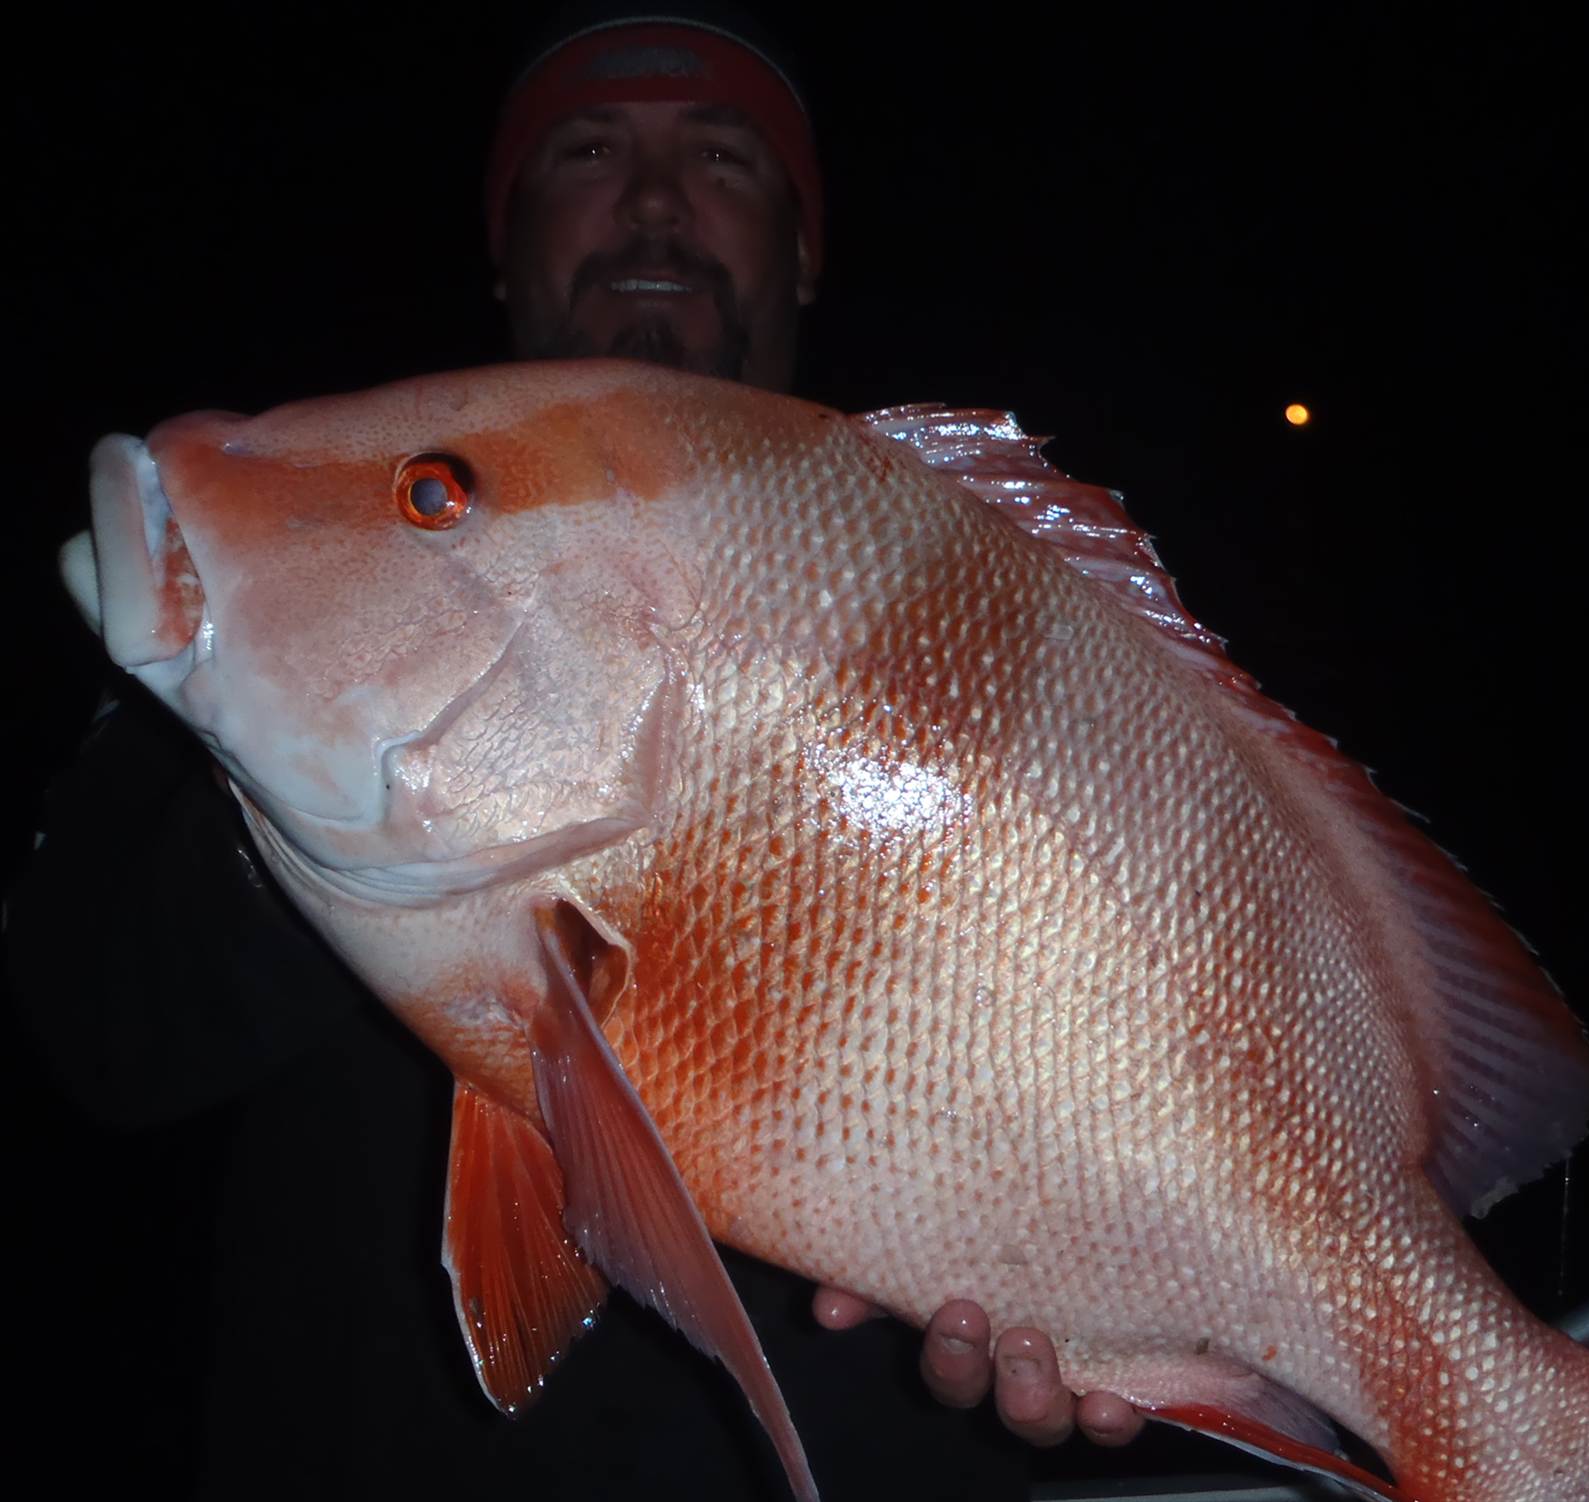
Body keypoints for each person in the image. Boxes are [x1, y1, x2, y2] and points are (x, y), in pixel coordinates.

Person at [8, 3, 1142, 1496]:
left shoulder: (967, 596)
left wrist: (1127, 1295)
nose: (655, 203)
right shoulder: (318, 577)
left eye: (722, 157)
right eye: (590, 153)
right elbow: (98, 1034)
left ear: (805, 248)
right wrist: (312, 760)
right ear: (505, 241)